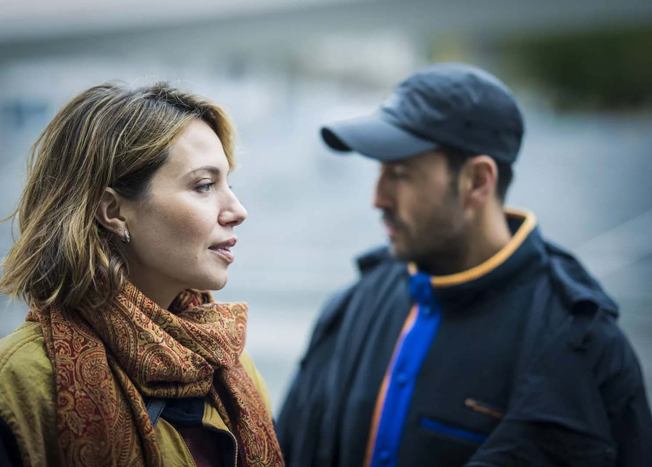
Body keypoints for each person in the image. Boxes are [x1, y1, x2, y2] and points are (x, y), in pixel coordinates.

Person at [277, 63, 652, 467]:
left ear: (477, 181)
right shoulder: (352, 306)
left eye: (400, 174)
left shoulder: (580, 343)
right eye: (380, 171)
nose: (378, 198)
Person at [0, 82, 284, 466]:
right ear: (113, 211)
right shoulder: (8, 390)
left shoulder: (233, 369)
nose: (238, 210)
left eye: (229, 183)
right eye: (204, 185)